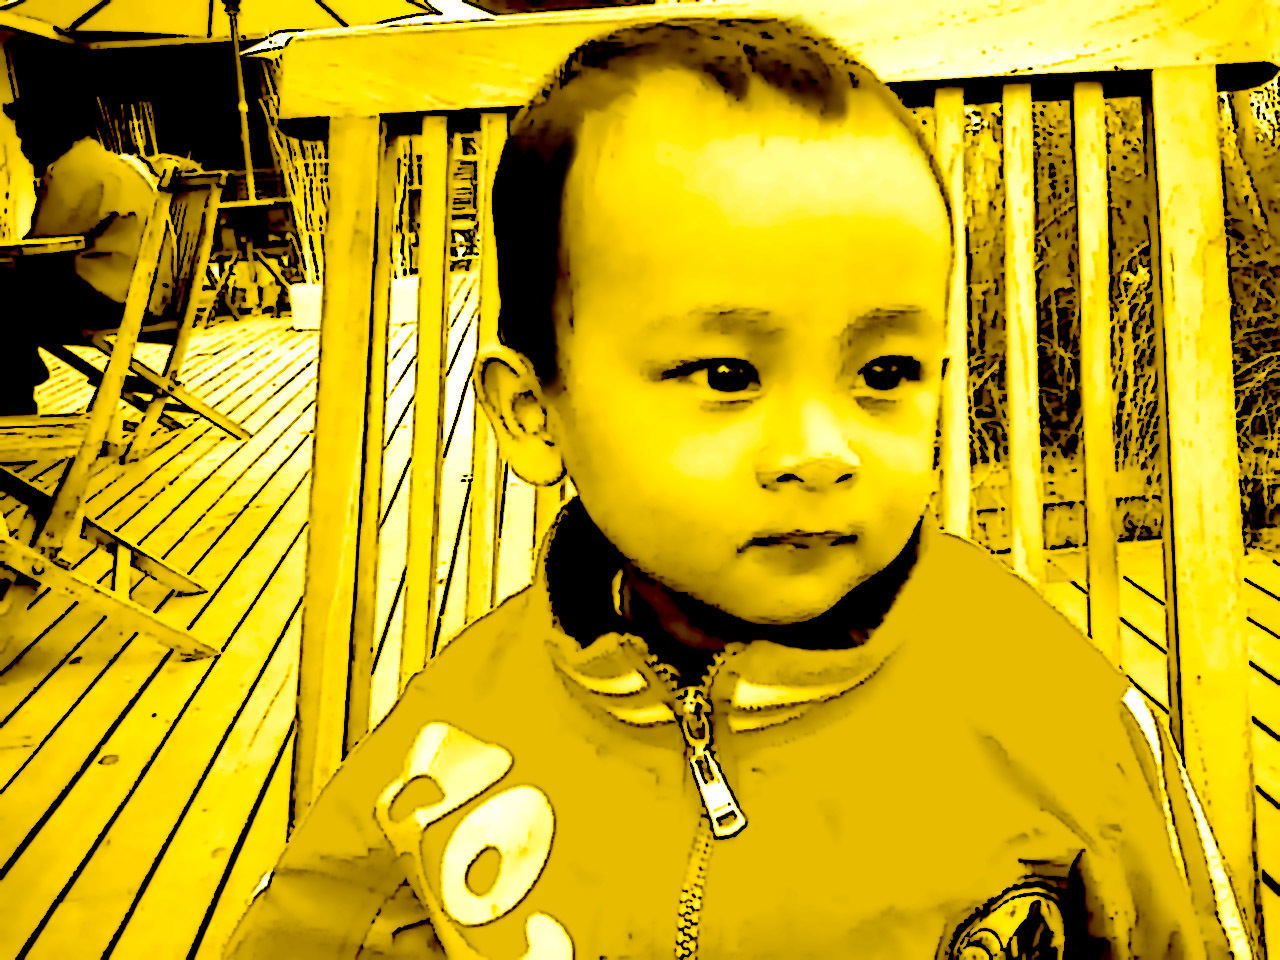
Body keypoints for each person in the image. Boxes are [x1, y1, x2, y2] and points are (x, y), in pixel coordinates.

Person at [225, 17, 1257, 959]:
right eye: (726, 374)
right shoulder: (454, 747)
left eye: (884, 372)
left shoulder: (1055, 719)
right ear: (533, 414)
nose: (821, 450)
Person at [0, 88, 164, 414]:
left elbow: (40, 250)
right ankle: (21, 374)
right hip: (143, 291)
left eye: (25, 135)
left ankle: (15, 392)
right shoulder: (113, 164)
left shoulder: (72, 171)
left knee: (6, 296)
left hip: (112, 299)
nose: (22, 148)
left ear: (49, 130)